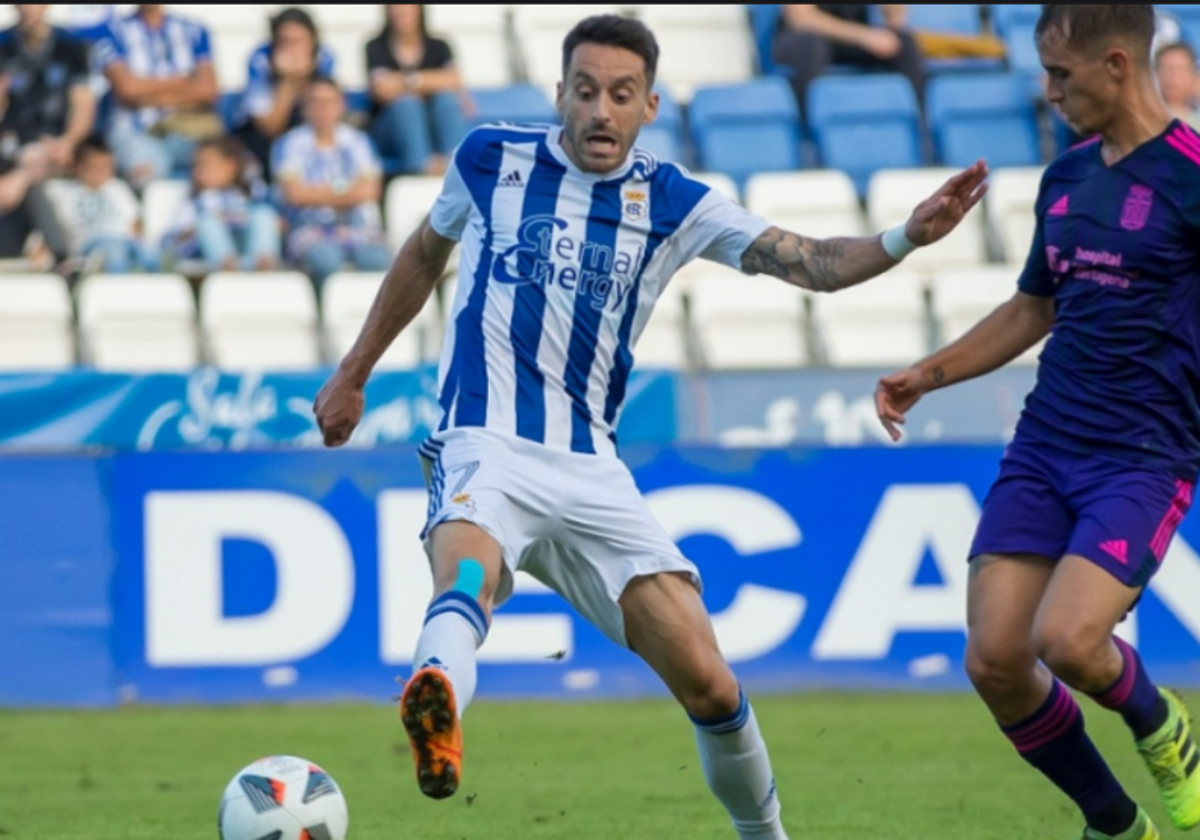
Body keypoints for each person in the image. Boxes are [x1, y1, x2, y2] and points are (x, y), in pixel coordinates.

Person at [314, 13, 986, 838]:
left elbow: (812, 261)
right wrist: (353, 373)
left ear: (650, 105)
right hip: (486, 438)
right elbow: (424, 254)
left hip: (593, 472)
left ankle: (765, 836)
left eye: (621, 95)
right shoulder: (489, 158)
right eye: (587, 91)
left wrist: (904, 236)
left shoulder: (673, 201)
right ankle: (437, 691)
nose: (601, 110)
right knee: (468, 565)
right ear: (558, 93)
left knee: (709, 683)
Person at [875, 6, 1200, 840]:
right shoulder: (1068, 177)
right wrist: (928, 374)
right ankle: (1115, 825)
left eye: (1061, 74)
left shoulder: (1195, 174)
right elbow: (1034, 307)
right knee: (994, 660)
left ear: (1118, 65)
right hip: (1045, 445)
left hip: (1142, 454)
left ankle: (1166, 730)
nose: (1048, 91)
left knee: (1070, 642)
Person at [273, 77, 390, 288]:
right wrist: (346, 190)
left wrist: (319, 192)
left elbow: (370, 191)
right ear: (304, 107)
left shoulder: (359, 141)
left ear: (341, 105)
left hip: (359, 226)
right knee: (325, 260)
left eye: (330, 101)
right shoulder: (289, 143)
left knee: (377, 260)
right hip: (308, 228)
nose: (323, 108)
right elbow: (294, 194)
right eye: (315, 102)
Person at [0, 3, 94, 265]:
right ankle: (64, 258)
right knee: (30, 173)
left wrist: (69, 142)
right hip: (10, 147)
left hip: (55, 147)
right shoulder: (3, 45)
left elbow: (83, 106)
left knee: (35, 160)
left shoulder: (70, 47)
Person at [95, 4, 219, 187]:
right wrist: (181, 81)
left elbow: (209, 91)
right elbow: (127, 90)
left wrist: (148, 94)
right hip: (136, 132)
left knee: (224, 168)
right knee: (143, 174)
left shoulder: (194, 30)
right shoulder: (111, 30)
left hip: (187, 130)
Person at [365, 4, 470, 175]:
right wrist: (431, 82)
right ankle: (420, 169)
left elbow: (454, 81)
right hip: (390, 129)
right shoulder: (376, 47)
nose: (402, 11)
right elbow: (382, 90)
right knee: (407, 105)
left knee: (446, 100)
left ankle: (455, 170)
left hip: (435, 125)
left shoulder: (439, 46)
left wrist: (406, 81)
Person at [235, 7, 335, 176]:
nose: (293, 50)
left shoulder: (325, 58)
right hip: (264, 139)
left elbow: (324, 116)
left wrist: (304, 82)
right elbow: (270, 127)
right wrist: (287, 82)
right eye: (286, 42)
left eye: (299, 41)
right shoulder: (260, 61)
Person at [772, 4, 924, 114]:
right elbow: (800, 19)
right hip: (799, 40)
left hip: (852, 38)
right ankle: (807, 134)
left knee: (903, 42)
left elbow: (895, 21)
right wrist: (863, 36)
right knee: (811, 47)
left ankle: (918, 130)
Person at [162, 136, 280, 273]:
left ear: (231, 167)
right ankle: (227, 266)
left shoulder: (254, 193)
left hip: (247, 246)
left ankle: (263, 265)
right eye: (195, 166)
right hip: (208, 255)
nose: (197, 172)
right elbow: (171, 239)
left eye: (205, 165)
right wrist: (200, 226)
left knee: (263, 215)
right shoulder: (193, 200)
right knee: (207, 222)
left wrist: (234, 219)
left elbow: (278, 224)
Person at [58, 137, 151, 273]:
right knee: (115, 256)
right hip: (90, 243)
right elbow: (60, 227)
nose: (100, 173)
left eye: (106, 166)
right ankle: (116, 293)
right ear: (78, 167)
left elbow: (135, 222)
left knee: (150, 255)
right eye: (94, 167)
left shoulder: (118, 188)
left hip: (122, 239)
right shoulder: (66, 194)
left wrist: (136, 241)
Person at [1156, 42, 1200, 131]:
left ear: (1193, 74)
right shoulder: (1144, 118)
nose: (1172, 76)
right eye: (1165, 69)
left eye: (1179, 68)